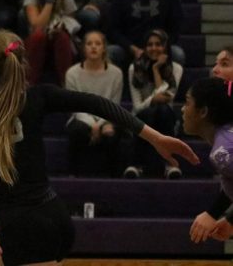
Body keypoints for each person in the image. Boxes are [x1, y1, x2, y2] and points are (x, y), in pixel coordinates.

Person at [0, 29, 198, 265]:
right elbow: (97, 103)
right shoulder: (37, 95)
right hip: (53, 218)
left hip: (19, 227)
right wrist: (155, 137)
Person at [64, 31, 127, 177]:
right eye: (89, 44)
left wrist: (101, 124)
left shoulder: (116, 73)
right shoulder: (72, 73)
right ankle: (73, 175)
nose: (93, 47)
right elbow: (74, 107)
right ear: (83, 48)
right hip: (81, 117)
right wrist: (93, 124)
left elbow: (114, 105)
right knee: (77, 130)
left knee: (112, 132)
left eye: (98, 44)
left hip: (108, 116)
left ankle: (114, 178)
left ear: (104, 48)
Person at [124, 29, 184, 179]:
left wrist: (156, 69)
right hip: (141, 116)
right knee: (149, 113)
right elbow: (137, 106)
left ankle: (170, 165)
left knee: (163, 110)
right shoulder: (134, 68)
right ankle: (136, 165)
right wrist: (152, 100)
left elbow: (166, 99)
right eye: (149, 45)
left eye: (158, 44)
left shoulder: (176, 68)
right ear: (144, 47)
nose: (154, 48)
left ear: (165, 47)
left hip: (166, 117)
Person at [184, 77, 233, 244]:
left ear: (203, 112)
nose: (183, 109)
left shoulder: (222, 152)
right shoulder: (225, 139)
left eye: (188, 103)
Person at [23, 0, 78, 85]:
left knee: (62, 37)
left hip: (59, 40)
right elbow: (37, 26)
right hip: (36, 41)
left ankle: (66, 84)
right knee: (39, 36)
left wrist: (62, 27)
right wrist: (49, 1)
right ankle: (29, 84)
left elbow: (72, 25)